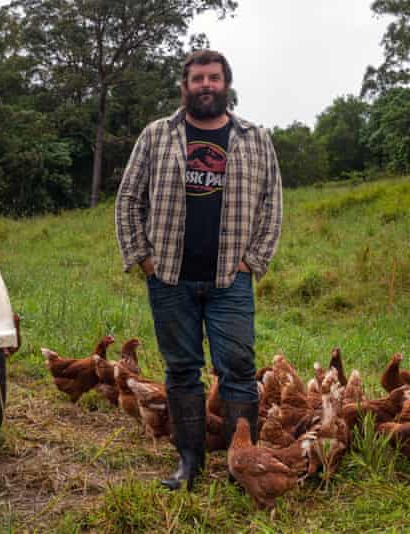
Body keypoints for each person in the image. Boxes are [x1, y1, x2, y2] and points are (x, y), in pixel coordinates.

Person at [115, 49, 282, 491]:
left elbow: (272, 205)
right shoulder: (157, 135)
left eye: (213, 78)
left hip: (231, 278)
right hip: (170, 276)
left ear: (226, 84)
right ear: (184, 87)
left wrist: (253, 261)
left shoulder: (254, 138)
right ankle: (189, 463)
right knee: (182, 370)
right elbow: (129, 199)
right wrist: (144, 259)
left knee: (239, 370)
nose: (205, 85)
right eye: (197, 79)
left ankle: (240, 464)